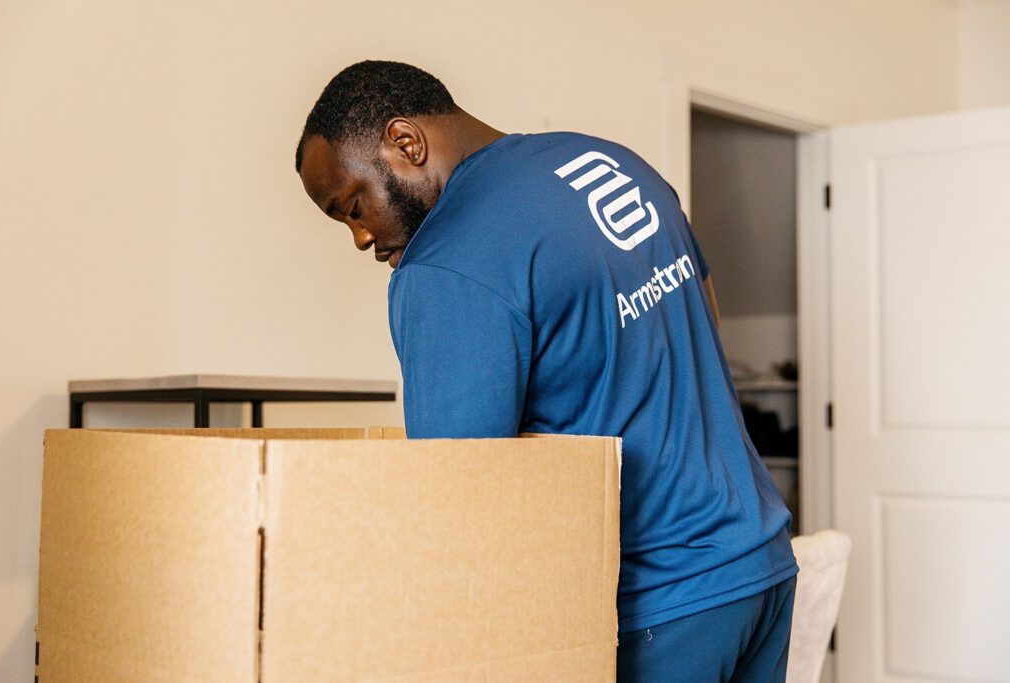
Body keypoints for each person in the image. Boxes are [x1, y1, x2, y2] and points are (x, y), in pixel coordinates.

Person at [295, 60, 797, 682]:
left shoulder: (447, 260)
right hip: (760, 565)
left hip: (658, 604)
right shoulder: (614, 163)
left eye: (350, 204)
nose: (360, 238)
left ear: (405, 143)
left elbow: (458, 496)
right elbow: (703, 323)